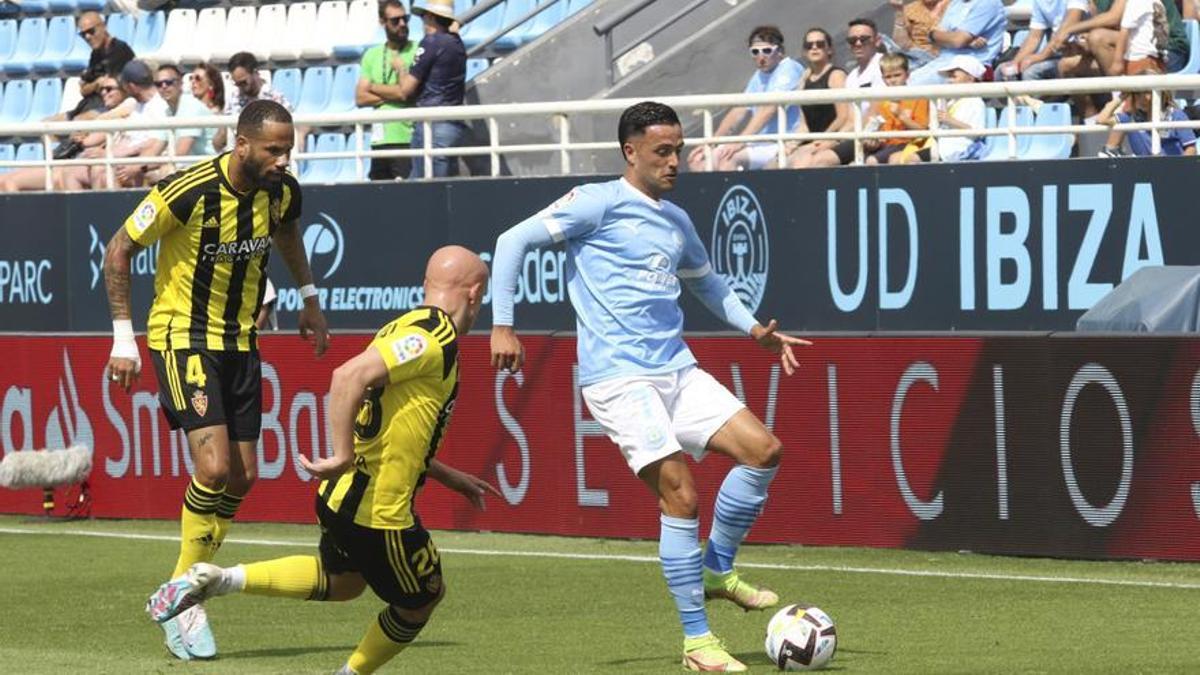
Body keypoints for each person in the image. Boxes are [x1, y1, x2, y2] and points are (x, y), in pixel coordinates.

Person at [490, 101, 810, 672]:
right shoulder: (597, 202)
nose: (674, 161)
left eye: (678, 150)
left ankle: (717, 569)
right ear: (629, 151)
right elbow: (512, 241)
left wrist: (754, 328)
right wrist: (504, 324)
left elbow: (710, 286)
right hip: (618, 377)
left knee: (765, 451)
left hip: (676, 369)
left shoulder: (677, 220)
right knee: (681, 494)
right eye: (662, 151)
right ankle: (697, 643)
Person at [146, 246, 501, 675]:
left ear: (426, 286)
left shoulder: (403, 325)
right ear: (477, 292)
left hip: (338, 499)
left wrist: (445, 475)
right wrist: (341, 454)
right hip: (378, 512)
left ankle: (217, 579)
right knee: (423, 599)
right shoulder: (433, 336)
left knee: (346, 583)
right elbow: (347, 377)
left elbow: (391, 425)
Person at [103, 99, 331, 662]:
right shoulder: (188, 191)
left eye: (289, 149)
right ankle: (185, 597)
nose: (283, 159)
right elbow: (119, 249)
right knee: (215, 467)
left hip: (240, 342)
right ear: (242, 143)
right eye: (274, 149)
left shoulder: (281, 192)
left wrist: (308, 298)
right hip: (183, 337)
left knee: (245, 476)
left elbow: (288, 235)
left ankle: (187, 586)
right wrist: (124, 339)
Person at [686, 25, 804, 172]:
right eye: (755, 52)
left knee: (727, 158)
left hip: (783, 142)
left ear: (780, 51)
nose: (761, 56)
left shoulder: (789, 69)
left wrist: (741, 141)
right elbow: (738, 110)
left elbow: (768, 110)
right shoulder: (760, 75)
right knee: (698, 161)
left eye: (767, 51)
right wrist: (712, 142)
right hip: (759, 143)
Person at [0, 75, 130, 193]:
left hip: (73, 167)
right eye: (101, 89)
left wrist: (84, 136)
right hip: (69, 163)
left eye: (109, 89)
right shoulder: (104, 115)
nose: (103, 93)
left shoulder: (124, 113)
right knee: (3, 180)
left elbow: (89, 141)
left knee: (10, 182)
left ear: (125, 91)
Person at [59, 60, 170, 191]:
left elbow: (149, 145)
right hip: (122, 157)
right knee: (70, 173)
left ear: (132, 87)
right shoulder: (136, 104)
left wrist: (109, 154)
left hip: (141, 162)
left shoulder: (160, 107)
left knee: (100, 171)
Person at [395, 0, 468, 178]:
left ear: (429, 17)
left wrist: (401, 69)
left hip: (431, 126)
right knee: (442, 189)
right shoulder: (456, 43)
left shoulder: (430, 42)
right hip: (452, 125)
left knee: (425, 191)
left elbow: (406, 89)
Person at [357, 0, 419, 180]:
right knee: (378, 196)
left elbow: (406, 93)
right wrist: (395, 94)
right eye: (395, 20)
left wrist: (374, 88)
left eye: (405, 19)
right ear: (382, 22)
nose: (402, 24)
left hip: (407, 138)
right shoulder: (372, 54)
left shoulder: (417, 50)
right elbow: (360, 97)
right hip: (380, 141)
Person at [1052, 0, 1189, 75]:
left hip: (1167, 50)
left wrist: (1069, 29)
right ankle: (1093, 121)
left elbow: (1114, 18)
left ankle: (1121, 106)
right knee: (1066, 66)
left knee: (1098, 38)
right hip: (1132, 45)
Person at [778, 27, 849, 169]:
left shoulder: (836, 75)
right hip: (813, 140)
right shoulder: (805, 78)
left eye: (820, 44)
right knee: (775, 162)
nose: (814, 48)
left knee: (800, 163)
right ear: (804, 52)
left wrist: (822, 139)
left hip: (833, 137)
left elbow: (843, 117)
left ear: (829, 49)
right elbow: (804, 124)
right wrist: (792, 143)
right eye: (809, 45)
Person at [902, 55, 988, 163]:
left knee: (913, 159)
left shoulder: (975, 102)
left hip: (957, 149)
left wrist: (950, 120)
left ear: (970, 79)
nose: (949, 81)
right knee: (905, 157)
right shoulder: (952, 101)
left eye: (954, 77)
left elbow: (977, 132)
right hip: (942, 147)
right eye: (949, 77)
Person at [53, 11, 135, 122]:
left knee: (79, 122)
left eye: (91, 31)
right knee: (46, 124)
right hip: (87, 105)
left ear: (104, 26)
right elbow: (83, 89)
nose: (87, 37)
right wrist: (96, 84)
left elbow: (109, 87)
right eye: (83, 34)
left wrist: (93, 85)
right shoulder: (95, 54)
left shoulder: (119, 50)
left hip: (107, 107)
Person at [907, 0, 1007, 85]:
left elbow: (957, 41)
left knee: (907, 87)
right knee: (902, 80)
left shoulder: (988, 3)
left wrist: (941, 36)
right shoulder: (956, 2)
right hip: (941, 60)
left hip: (967, 67)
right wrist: (934, 35)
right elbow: (935, 35)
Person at [145, 64, 216, 182]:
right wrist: (135, 167)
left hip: (209, 169)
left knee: (166, 172)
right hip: (190, 168)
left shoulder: (191, 106)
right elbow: (155, 146)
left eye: (168, 82)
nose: (163, 86)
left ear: (180, 84)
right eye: (158, 84)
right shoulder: (168, 111)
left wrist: (142, 167)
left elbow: (180, 152)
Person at [213, 52, 293, 152]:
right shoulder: (234, 98)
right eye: (237, 84)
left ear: (255, 73)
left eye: (243, 82)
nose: (240, 87)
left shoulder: (274, 98)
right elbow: (220, 138)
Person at [1098, 76, 1197, 156]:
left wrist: (1177, 170)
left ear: (1160, 93)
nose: (1142, 98)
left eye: (1147, 92)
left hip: (1173, 170)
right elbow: (1102, 119)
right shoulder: (1130, 117)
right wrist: (1121, 97)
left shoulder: (1176, 115)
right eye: (1137, 93)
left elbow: (1191, 149)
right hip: (1144, 172)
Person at [997, 0, 1089, 81]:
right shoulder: (1040, 2)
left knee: (1031, 73)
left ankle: (1036, 100)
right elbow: (1034, 37)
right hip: (1057, 53)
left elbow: (1067, 28)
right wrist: (1015, 63)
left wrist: (1041, 56)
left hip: (1080, 52)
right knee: (1001, 71)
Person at [887, 0, 949, 68]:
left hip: (951, 54)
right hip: (923, 60)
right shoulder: (910, 10)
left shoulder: (955, 4)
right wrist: (898, 11)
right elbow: (901, 45)